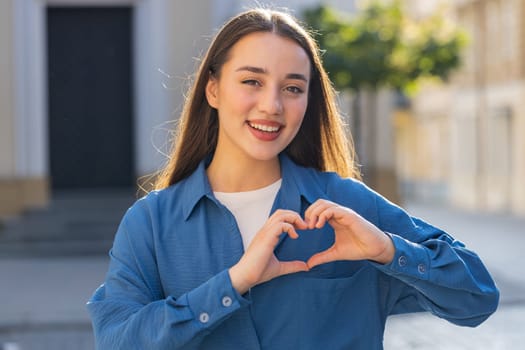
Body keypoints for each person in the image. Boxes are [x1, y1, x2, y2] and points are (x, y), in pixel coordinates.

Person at [87, 7, 499, 349]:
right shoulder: (152, 223)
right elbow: (117, 341)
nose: (272, 105)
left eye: (293, 88)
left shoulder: (348, 207)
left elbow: (478, 298)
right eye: (252, 81)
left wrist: (389, 250)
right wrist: (233, 283)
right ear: (213, 90)